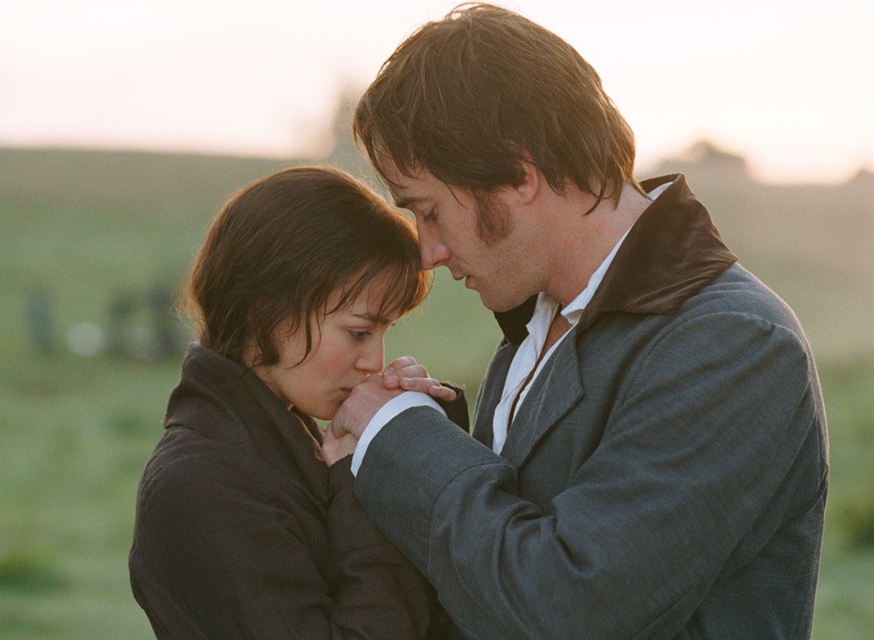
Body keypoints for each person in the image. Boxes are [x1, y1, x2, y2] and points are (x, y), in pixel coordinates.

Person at [328, 4, 829, 639]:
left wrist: (398, 438)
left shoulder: (736, 344)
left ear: (517, 175)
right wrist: (428, 433)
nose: (429, 250)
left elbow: (571, 609)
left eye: (428, 211)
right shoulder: (538, 325)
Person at [129, 165, 463, 639]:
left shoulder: (284, 440)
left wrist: (413, 434)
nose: (375, 361)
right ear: (268, 311)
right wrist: (361, 484)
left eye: (385, 333)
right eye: (359, 332)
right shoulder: (202, 485)